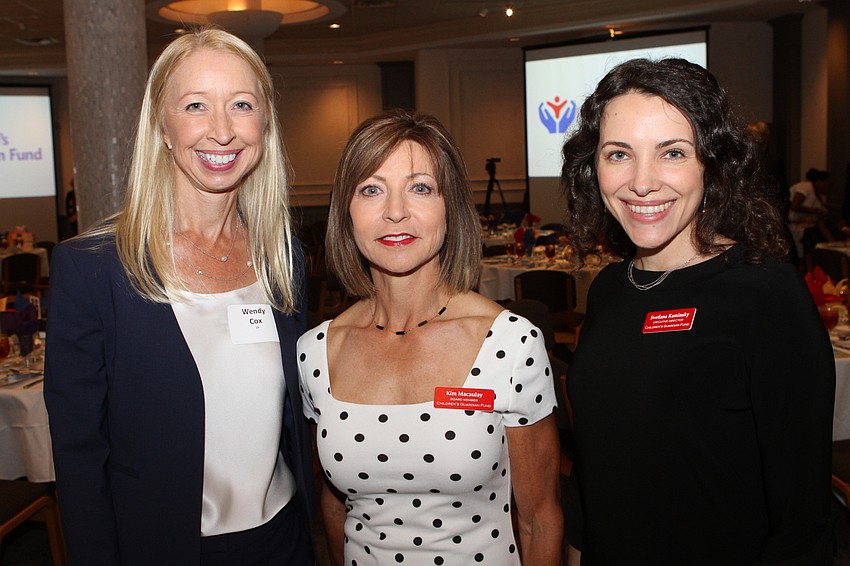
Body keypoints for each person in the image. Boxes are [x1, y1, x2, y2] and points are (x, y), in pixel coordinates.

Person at [44, 28, 314, 565]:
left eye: (242, 104)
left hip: (283, 542)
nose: (222, 130)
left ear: (264, 123)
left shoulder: (283, 257)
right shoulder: (94, 270)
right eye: (196, 105)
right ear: (162, 127)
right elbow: (80, 460)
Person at [560, 58, 834, 564]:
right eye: (618, 154)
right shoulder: (608, 290)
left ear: (713, 163)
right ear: (592, 166)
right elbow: (593, 463)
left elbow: (800, 510)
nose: (642, 182)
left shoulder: (765, 295)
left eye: (672, 153)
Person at [297, 109, 563, 565]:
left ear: (450, 207)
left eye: (420, 188)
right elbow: (334, 505)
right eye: (371, 189)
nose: (395, 211)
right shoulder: (317, 352)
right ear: (346, 213)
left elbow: (539, 517)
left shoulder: (511, 344)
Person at [788, 167, 835, 259]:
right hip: (793, 226)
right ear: (820, 181)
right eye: (828, 185)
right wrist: (814, 210)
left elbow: (821, 224)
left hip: (807, 230)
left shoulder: (820, 198)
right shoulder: (806, 187)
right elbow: (794, 206)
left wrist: (832, 243)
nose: (829, 189)